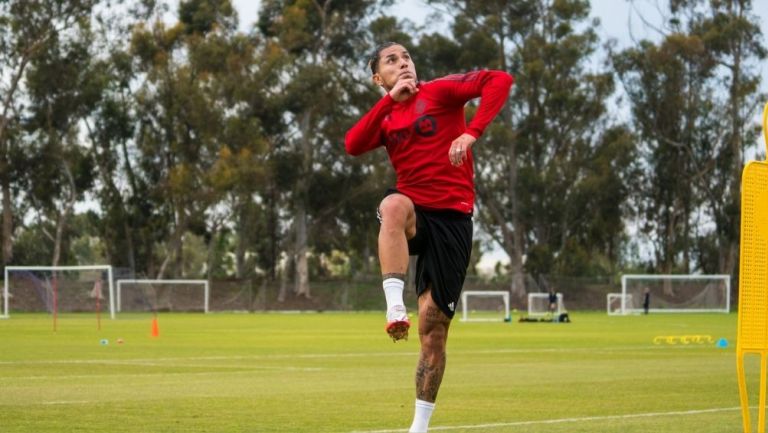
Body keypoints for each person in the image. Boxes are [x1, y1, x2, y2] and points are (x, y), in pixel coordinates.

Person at [345, 42, 513, 433]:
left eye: (406, 57)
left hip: (453, 220)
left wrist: (472, 133)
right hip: (415, 214)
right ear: (378, 78)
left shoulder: (439, 91)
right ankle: (393, 307)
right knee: (391, 207)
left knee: (433, 332)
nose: (403, 63)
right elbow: (353, 145)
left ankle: (418, 428)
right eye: (392, 60)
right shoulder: (385, 115)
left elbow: (499, 80)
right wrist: (388, 101)